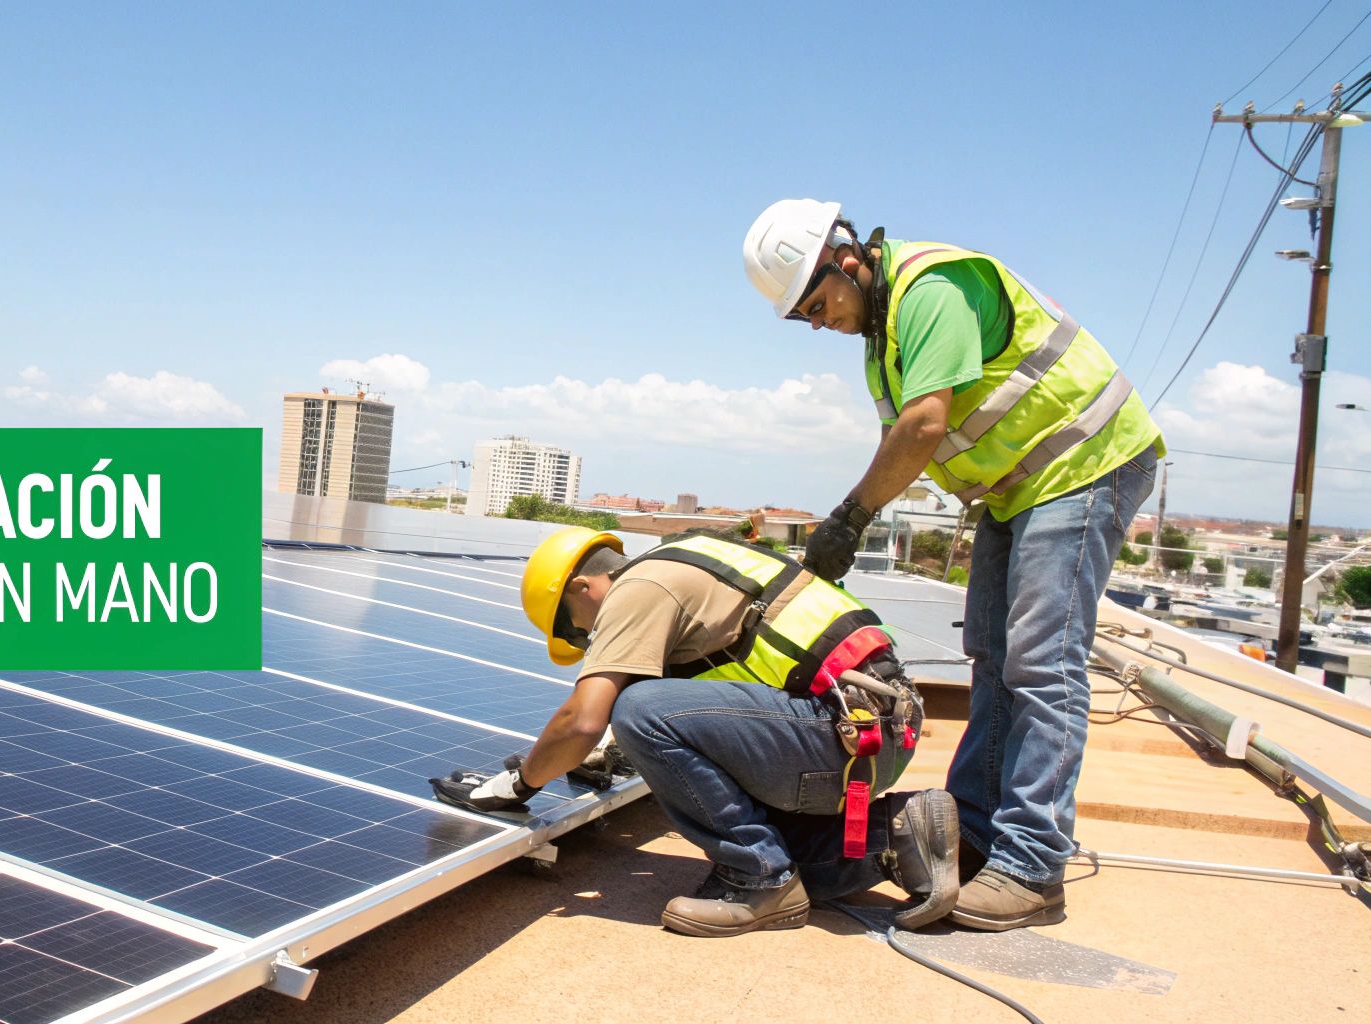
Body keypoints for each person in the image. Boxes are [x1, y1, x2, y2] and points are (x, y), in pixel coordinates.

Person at [741, 200, 1164, 930]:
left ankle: (1032, 864)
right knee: (992, 661)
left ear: (847, 259)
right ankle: (971, 836)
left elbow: (924, 426)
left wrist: (850, 518)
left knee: (1041, 664)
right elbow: (906, 443)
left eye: (817, 303)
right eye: (801, 317)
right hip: (1018, 491)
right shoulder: (884, 334)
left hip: (1085, 464)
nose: (817, 322)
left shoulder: (929, 289)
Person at [432, 526, 961, 937]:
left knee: (638, 709)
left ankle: (758, 880)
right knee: (808, 871)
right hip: (868, 732)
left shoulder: (637, 588)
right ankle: (896, 831)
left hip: (836, 737)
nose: (586, 638)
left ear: (581, 586)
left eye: (573, 627)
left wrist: (520, 784)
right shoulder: (695, 557)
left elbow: (586, 719)